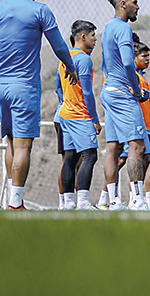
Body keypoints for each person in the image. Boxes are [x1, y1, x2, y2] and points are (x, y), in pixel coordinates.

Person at [0, 0, 77, 210]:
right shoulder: (40, 10)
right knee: (23, 146)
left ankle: (12, 197)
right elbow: (59, 45)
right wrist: (70, 66)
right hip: (24, 87)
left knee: (10, 142)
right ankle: (16, 203)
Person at [97, 0, 150, 211]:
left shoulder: (107, 28)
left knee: (112, 148)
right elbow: (129, 63)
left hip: (109, 91)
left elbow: (104, 65)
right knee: (136, 146)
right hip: (122, 94)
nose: (137, 7)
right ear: (123, 4)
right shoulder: (123, 28)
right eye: (134, 3)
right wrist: (136, 89)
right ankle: (137, 201)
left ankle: (114, 201)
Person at [54, 20, 101, 211]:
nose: (95, 39)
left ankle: (68, 203)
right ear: (83, 37)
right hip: (79, 116)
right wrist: (95, 120)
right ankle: (83, 202)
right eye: (92, 35)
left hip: (64, 114)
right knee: (90, 155)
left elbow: (58, 87)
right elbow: (88, 93)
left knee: (70, 158)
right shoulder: (84, 59)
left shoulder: (64, 59)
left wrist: (66, 102)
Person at [133, 41, 150, 209]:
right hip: (138, 127)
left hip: (146, 129)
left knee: (149, 162)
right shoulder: (134, 78)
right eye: (144, 56)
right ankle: (106, 197)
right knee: (125, 160)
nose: (147, 59)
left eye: (148, 56)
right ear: (134, 58)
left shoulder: (142, 77)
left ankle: (145, 201)